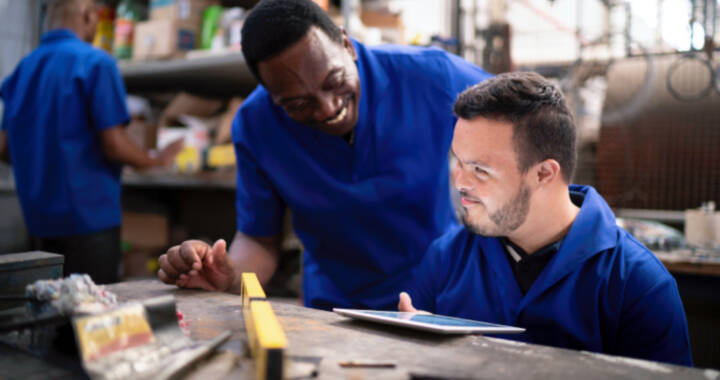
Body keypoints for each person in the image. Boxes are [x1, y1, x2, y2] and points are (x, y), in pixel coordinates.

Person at [157, 0, 492, 310]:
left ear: (347, 45)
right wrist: (228, 279)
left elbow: (526, 118)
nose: (328, 109)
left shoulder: (431, 78)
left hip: (438, 294)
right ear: (269, 93)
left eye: (334, 80)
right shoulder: (256, 125)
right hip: (336, 308)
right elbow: (259, 241)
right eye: (298, 104)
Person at [397, 72, 692, 366]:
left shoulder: (637, 285)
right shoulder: (446, 259)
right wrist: (417, 350)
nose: (459, 181)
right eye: (457, 162)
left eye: (480, 170)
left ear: (543, 174)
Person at [0, 0, 182, 284]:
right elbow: (115, 145)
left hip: (37, 221)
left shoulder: (22, 70)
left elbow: (4, 148)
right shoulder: (96, 62)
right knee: (91, 319)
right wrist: (157, 160)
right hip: (89, 223)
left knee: (49, 312)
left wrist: (39, 158)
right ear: (87, 15)